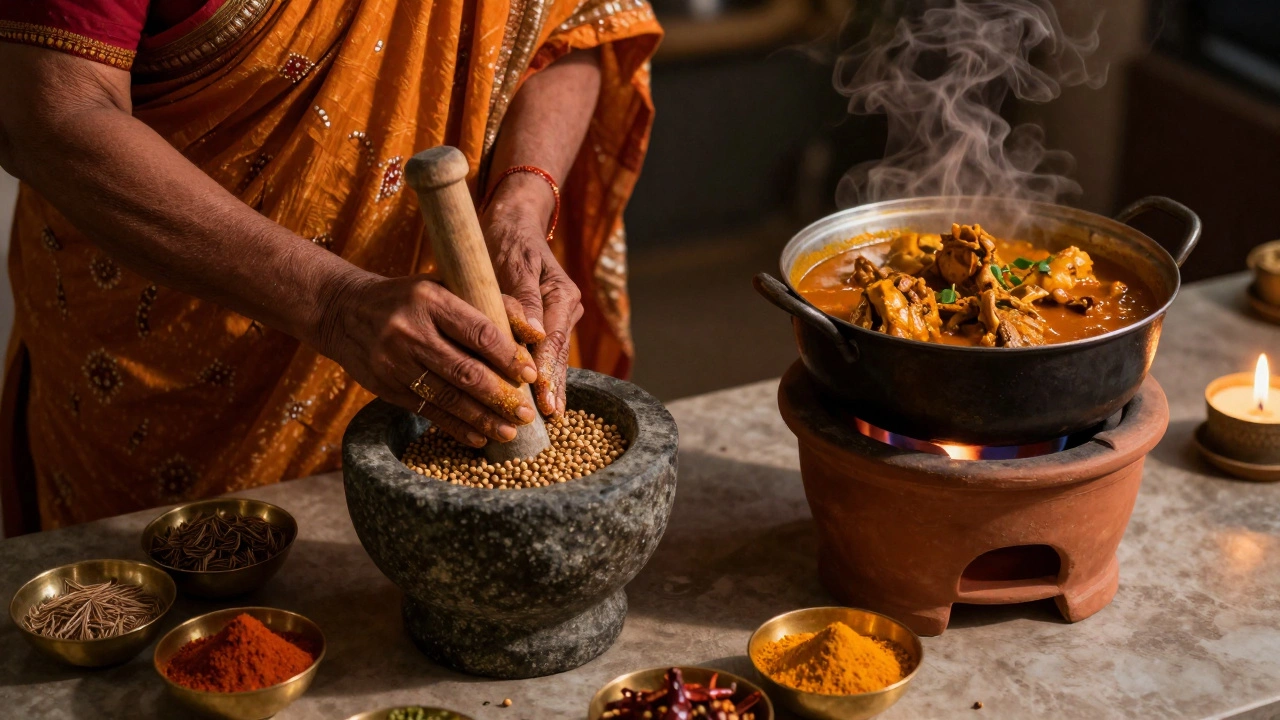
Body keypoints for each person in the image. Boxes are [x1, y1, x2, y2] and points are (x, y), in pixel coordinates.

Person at [0, 0, 660, 534]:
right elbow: (51, 114)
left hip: (447, 332)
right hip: (187, 367)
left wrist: (520, 203)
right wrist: (333, 306)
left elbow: (575, 22)